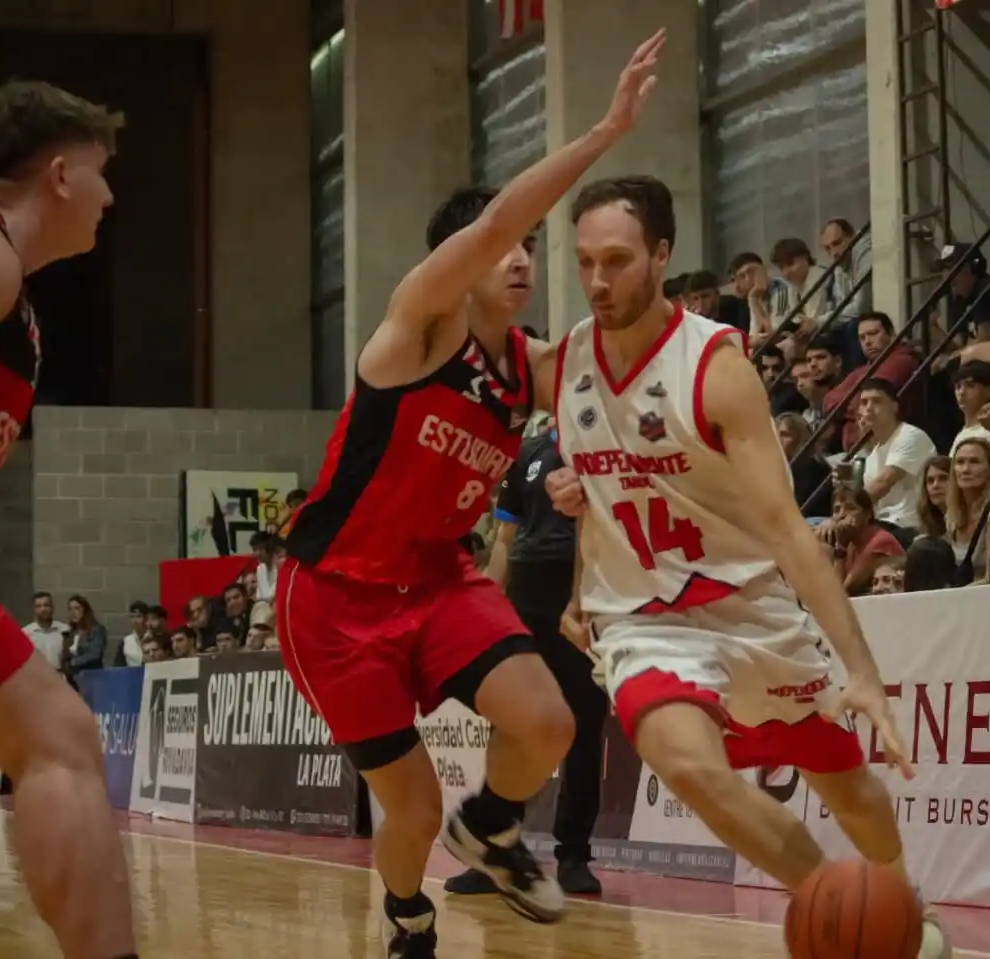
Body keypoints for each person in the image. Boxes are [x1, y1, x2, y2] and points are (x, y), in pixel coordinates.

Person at [275, 30, 665, 959]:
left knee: (548, 719)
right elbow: (489, 227)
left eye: (534, 246)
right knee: (405, 802)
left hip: (437, 582)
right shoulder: (415, 329)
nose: (522, 258)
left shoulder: (529, 367)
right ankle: (408, 916)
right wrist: (606, 130)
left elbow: (633, 362)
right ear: (463, 255)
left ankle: (489, 823)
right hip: (333, 594)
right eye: (507, 244)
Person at [545, 174, 950, 958]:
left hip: (747, 602)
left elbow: (788, 532)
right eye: (585, 261)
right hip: (641, 619)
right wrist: (577, 580)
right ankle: (849, 919)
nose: (597, 280)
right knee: (687, 765)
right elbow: (598, 486)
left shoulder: (715, 365)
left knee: (848, 784)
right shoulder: (564, 361)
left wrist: (861, 668)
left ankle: (896, 902)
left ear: (661, 255)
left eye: (618, 260)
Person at [0, 80, 137, 958]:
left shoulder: (7, 285)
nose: (112, 198)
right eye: (105, 175)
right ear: (64, 175)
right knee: (59, 734)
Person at [445, 416, 607, 898]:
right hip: (525, 597)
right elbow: (504, 543)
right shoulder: (529, 455)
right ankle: (495, 846)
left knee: (582, 725)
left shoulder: (604, 448)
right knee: (509, 725)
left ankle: (574, 854)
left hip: (581, 595)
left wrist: (585, 602)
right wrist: (485, 609)